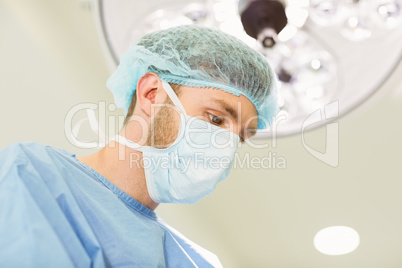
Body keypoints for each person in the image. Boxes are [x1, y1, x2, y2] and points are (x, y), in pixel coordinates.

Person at [0, 25, 278, 267]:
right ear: (151, 94)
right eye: (216, 119)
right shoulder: (34, 173)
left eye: (241, 137)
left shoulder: (197, 261)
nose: (227, 147)